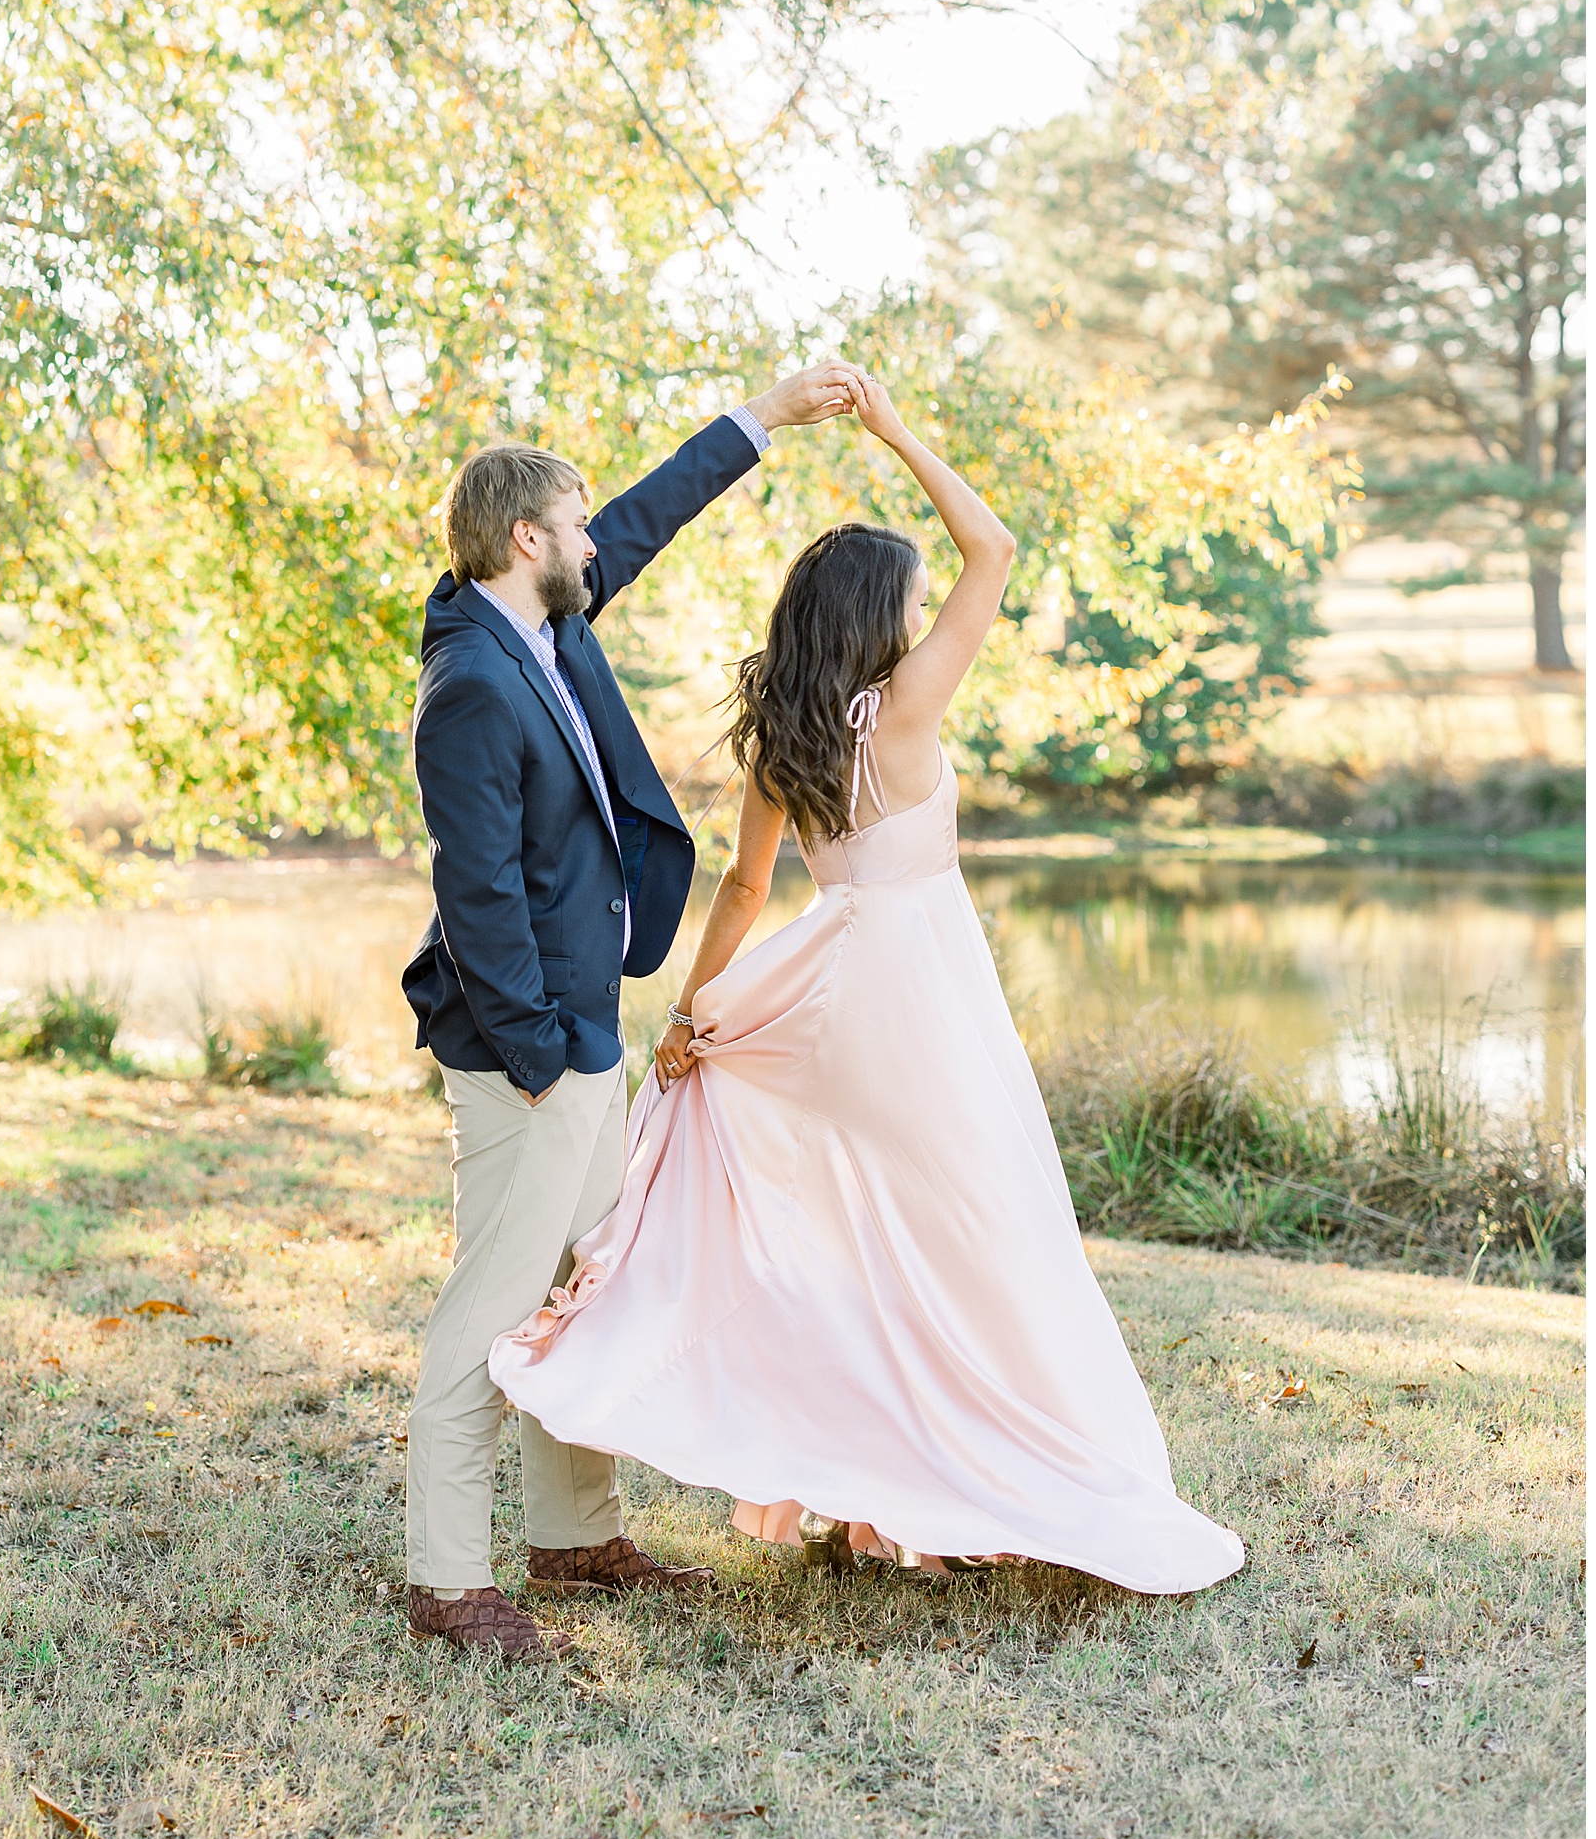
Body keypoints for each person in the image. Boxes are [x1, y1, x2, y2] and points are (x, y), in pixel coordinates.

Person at [489, 373, 1245, 1596]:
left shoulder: (783, 734)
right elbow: (991, 545)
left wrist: (692, 1015)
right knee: (974, 1242)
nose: (915, 611)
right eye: (902, 598)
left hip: (829, 996)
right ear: (876, 617)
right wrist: (892, 429)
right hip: (923, 998)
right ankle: (939, 1489)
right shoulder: (901, 711)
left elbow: (740, 892)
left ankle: (870, 1503)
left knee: (854, 1243)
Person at [400, 364, 864, 1661]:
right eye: (577, 522)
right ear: (521, 538)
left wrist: (763, 418)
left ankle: (574, 1536)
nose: (599, 541)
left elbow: (652, 514)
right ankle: (447, 1574)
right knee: (494, 1304)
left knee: (584, 1291)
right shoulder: (472, 687)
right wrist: (546, 1057)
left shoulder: (545, 625)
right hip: (526, 1053)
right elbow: (476, 893)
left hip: (583, 1036)